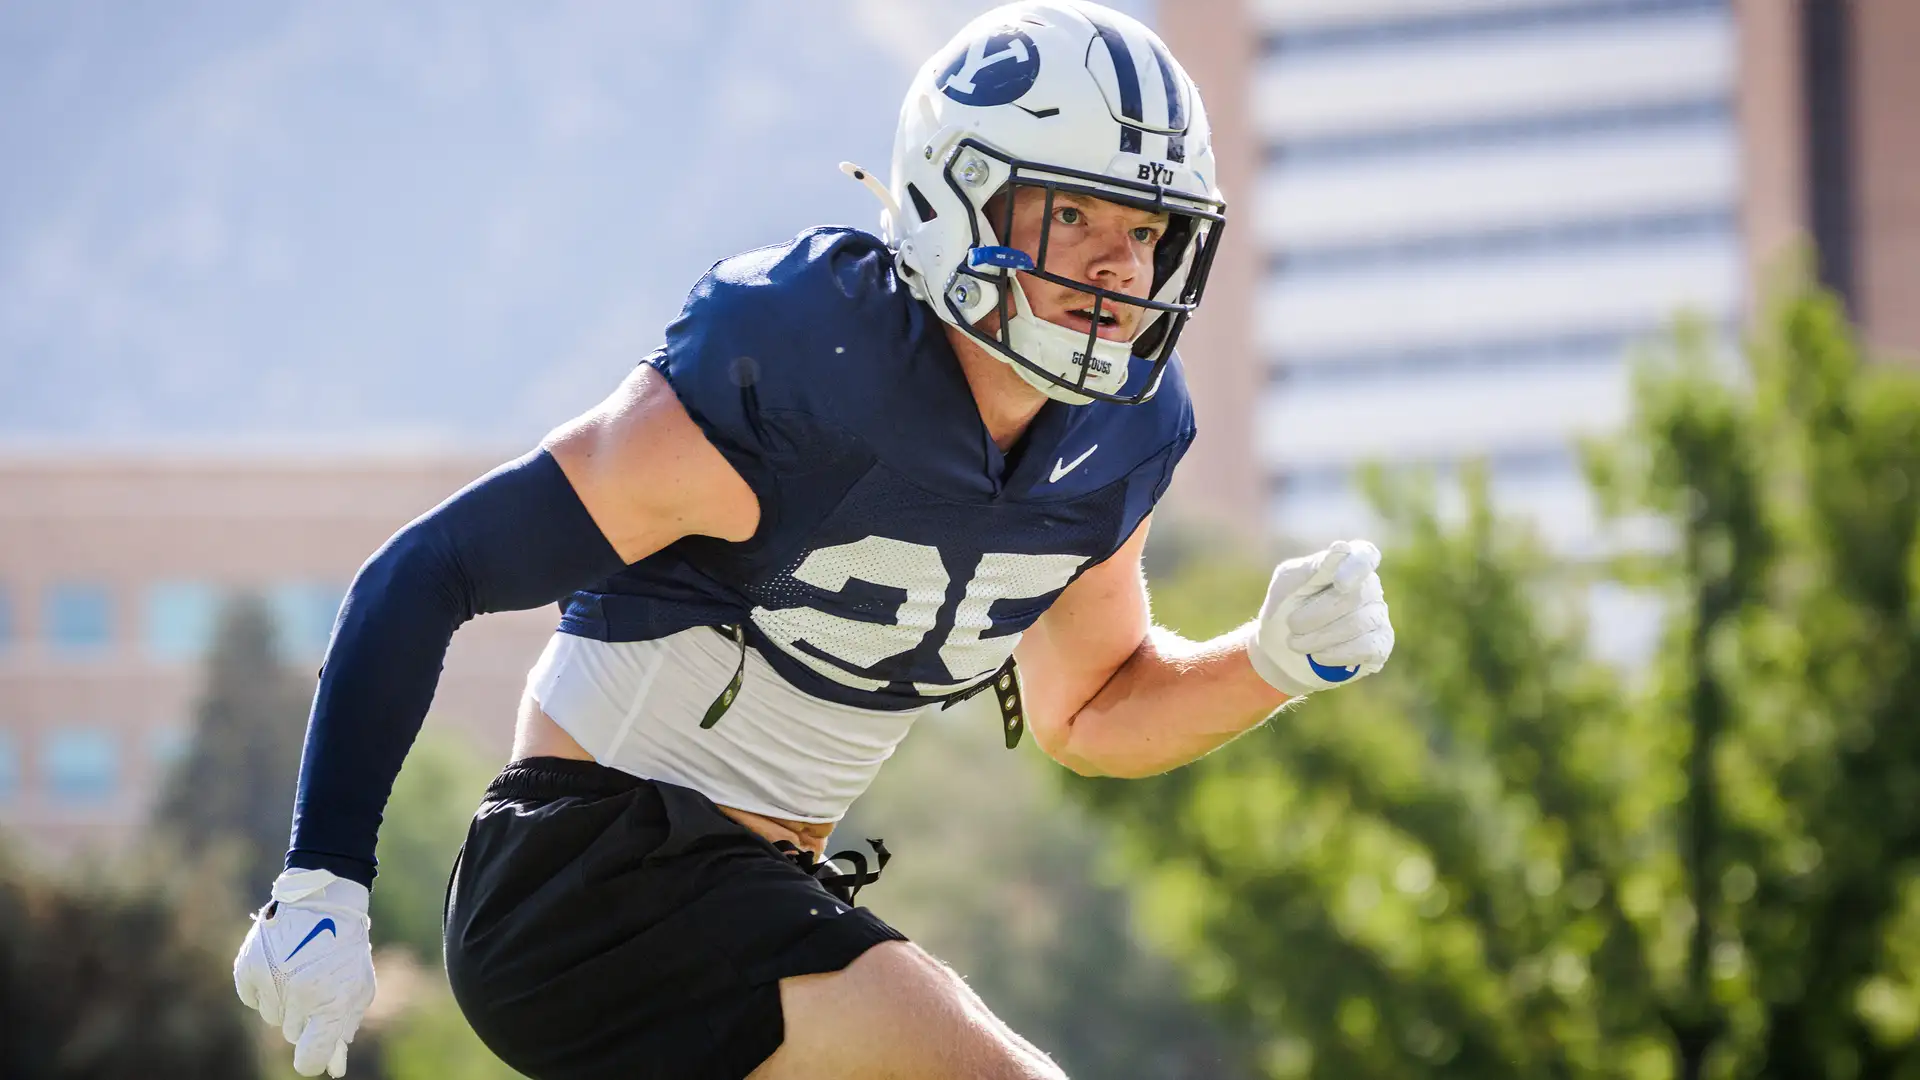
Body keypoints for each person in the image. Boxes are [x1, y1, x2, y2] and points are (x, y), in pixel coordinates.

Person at [231, 3, 1396, 1077]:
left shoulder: (1122, 434)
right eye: (1076, 212)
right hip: (591, 881)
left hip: (762, 892)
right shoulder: (802, 371)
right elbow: (428, 570)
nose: (1116, 266)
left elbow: (1090, 713)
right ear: (959, 202)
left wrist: (1271, 665)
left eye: (1145, 228)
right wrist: (323, 872)